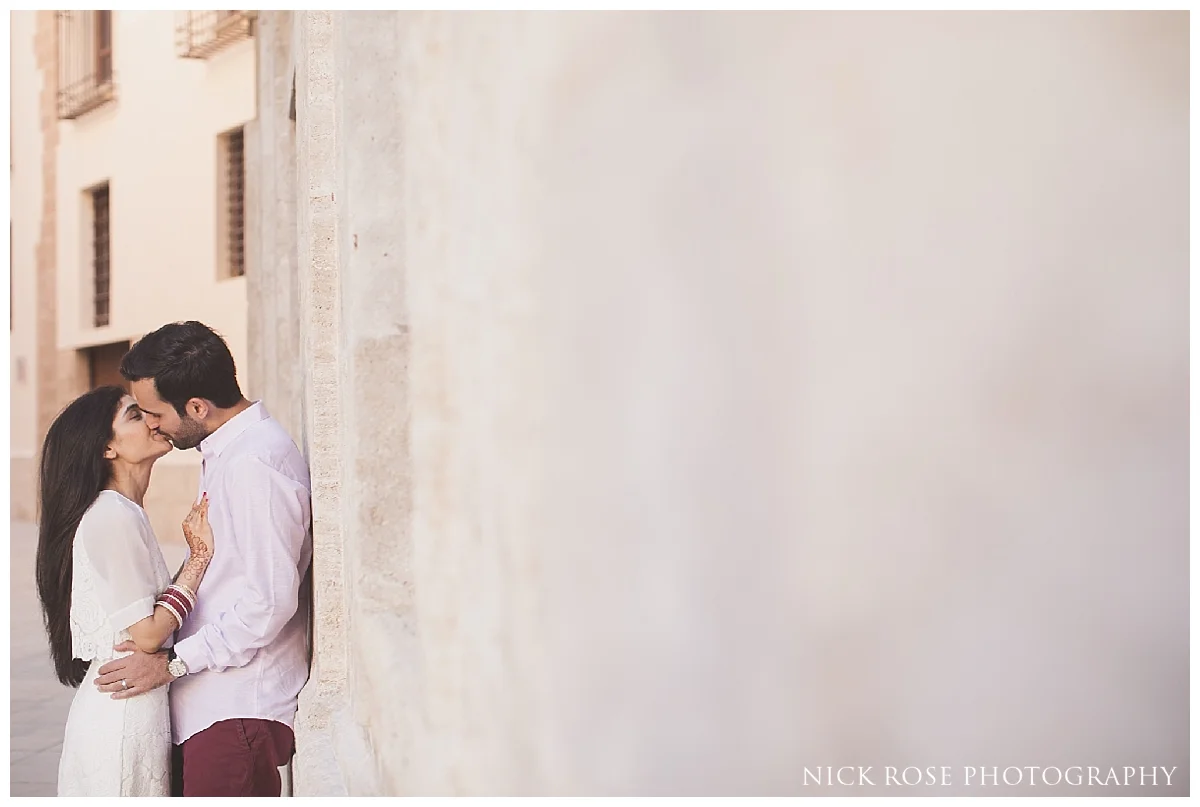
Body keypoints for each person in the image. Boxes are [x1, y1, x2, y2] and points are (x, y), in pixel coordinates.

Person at [93, 320, 313, 798]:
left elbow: (269, 604)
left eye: (153, 413)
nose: (150, 424)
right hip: (213, 709)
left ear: (197, 407)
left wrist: (172, 662)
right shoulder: (227, 453)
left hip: (238, 711)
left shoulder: (254, 465)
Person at [35, 385, 215, 796]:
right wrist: (199, 558)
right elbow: (148, 633)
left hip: (134, 710)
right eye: (136, 416)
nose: (153, 420)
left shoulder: (124, 511)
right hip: (121, 721)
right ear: (107, 449)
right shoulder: (110, 514)